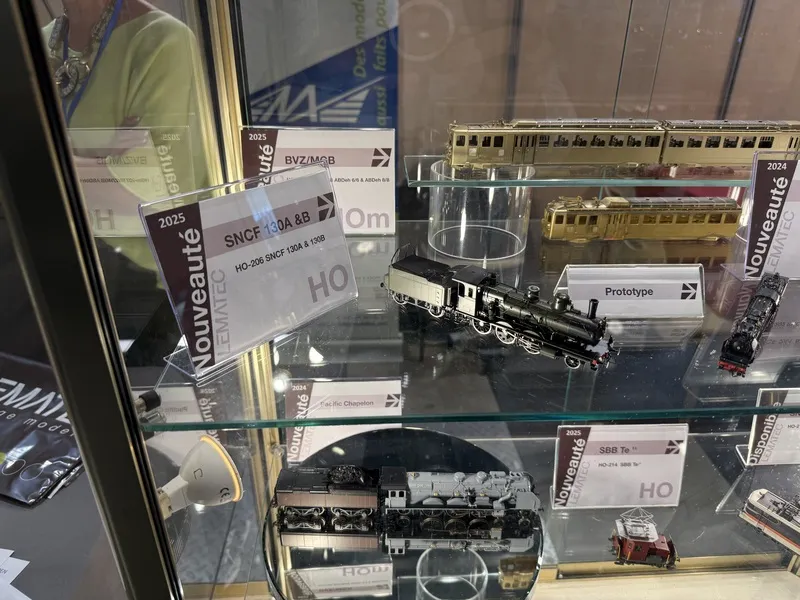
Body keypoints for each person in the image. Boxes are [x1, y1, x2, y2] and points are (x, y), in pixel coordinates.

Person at [42, 0, 216, 266]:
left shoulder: (162, 40)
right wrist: (98, 164)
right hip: (53, 257)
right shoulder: (35, 43)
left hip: (141, 275)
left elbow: (155, 204)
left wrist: (41, 156)